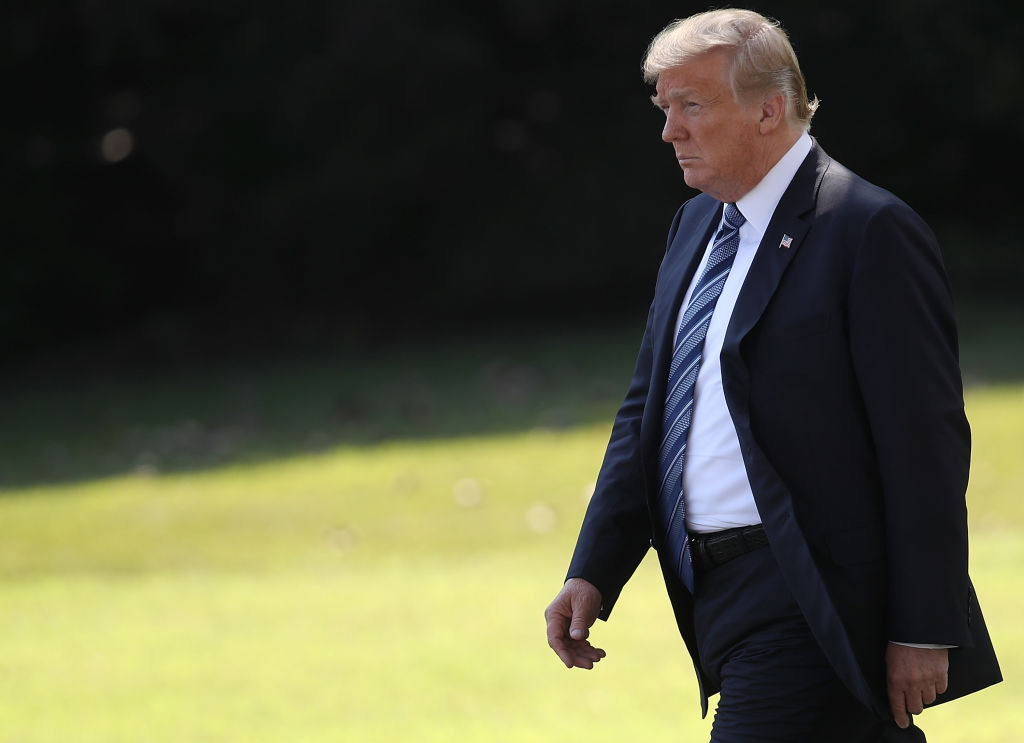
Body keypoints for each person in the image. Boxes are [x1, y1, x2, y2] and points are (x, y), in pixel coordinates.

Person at [543, 9, 1000, 742]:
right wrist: (595, 568)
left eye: (691, 106)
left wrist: (924, 624)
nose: (670, 131)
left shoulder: (867, 229)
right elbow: (650, 412)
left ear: (769, 109)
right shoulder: (694, 225)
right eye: (665, 109)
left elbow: (926, 446)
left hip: (810, 591)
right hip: (714, 592)